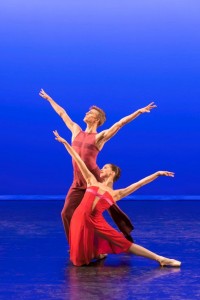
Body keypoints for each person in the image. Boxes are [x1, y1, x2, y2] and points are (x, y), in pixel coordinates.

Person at [39, 89, 156, 242]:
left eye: (91, 112)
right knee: (66, 213)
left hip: (94, 179)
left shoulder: (99, 137)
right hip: (78, 181)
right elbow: (62, 113)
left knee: (107, 207)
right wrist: (49, 99)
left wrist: (139, 112)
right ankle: (74, 243)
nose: (87, 113)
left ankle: (125, 233)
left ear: (97, 120)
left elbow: (120, 124)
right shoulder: (75, 130)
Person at [53, 130, 181, 267]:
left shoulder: (117, 194)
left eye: (105, 167)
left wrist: (157, 174)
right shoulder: (91, 180)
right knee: (79, 261)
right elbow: (79, 161)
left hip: (96, 222)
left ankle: (160, 259)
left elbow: (139, 184)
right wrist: (66, 143)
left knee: (124, 243)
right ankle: (98, 253)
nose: (101, 169)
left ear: (112, 173)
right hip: (79, 219)